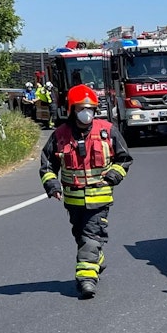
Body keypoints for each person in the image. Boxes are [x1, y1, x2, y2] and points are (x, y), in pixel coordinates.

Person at [39, 84, 133, 299]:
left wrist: (113, 176)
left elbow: (124, 159)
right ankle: (96, 258)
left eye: (90, 108)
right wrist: (52, 186)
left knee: (90, 237)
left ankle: (86, 280)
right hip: (73, 201)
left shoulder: (107, 130)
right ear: (72, 109)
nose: (87, 112)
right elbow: (47, 166)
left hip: (100, 199)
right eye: (82, 108)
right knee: (82, 237)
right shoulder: (60, 135)